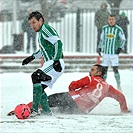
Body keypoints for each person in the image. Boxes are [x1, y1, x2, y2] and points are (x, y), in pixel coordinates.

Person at [7, 64, 129, 116]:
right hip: (81, 111)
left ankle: (26, 109)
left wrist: (75, 89)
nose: (90, 71)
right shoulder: (108, 87)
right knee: (55, 110)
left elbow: (72, 86)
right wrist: (124, 109)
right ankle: (35, 113)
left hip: (71, 99)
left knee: (47, 100)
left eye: (92, 70)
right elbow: (121, 97)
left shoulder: (91, 79)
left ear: (99, 73)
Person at [22, 11, 65, 117]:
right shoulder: (41, 32)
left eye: (34, 22)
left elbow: (58, 42)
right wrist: (31, 57)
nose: (32, 26)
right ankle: (46, 111)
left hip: (54, 62)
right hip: (50, 63)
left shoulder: (45, 29)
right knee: (39, 86)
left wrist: (57, 59)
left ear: (40, 20)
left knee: (36, 76)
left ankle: (35, 110)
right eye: (30, 24)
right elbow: (43, 50)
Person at [97, 14, 126, 91]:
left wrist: (120, 47)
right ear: (108, 20)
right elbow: (102, 39)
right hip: (106, 53)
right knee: (104, 70)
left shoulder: (118, 29)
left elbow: (123, 39)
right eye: (110, 19)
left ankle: (119, 85)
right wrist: (99, 48)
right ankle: (103, 86)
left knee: (115, 69)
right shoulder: (104, 28)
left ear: (115, 20)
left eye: (112, 19)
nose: (111, 21)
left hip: (114, 53)